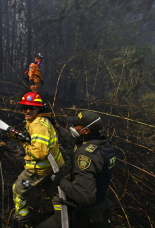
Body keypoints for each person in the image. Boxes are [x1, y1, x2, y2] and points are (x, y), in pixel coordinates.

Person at [38, 111, 116, 228]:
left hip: (86, 215)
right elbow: (72, 139)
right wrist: (57, 127)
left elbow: (84, 197)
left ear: (86, 131)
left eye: (75, 125)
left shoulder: (85, 155)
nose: (72, 127)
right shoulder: (103, 144)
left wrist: (61, 181)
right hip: (101, 204)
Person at [12, 92, 64, 228]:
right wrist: (21, 138)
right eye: (25, 107)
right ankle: (63, 217)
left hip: (39, 170)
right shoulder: (43, 120)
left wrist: (25, 144)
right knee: (57, 195)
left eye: (32, 108)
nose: (28, 111)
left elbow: (39, 153)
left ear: (39, 108)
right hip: (53, 168)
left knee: (18, 190)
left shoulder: (38, 126)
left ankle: (23, 222)